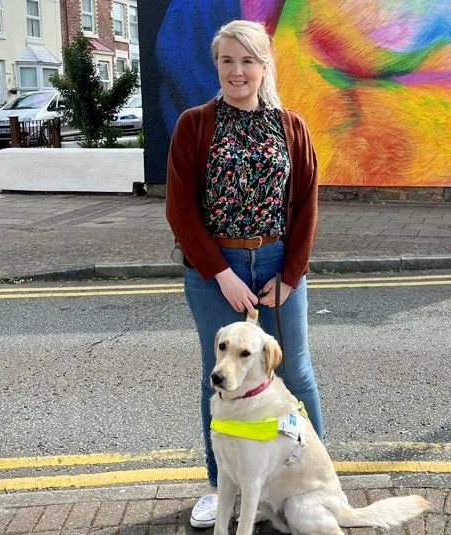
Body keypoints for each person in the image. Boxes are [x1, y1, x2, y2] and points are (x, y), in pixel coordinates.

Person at [165, 20, 324, 528]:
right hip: (218, 266)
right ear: (217, 66)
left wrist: (291, 275)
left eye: (248, 60)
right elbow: (180, 209)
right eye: (227, 61)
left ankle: (309, 476)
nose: (238, 71)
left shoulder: (291, 126)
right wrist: (220, 273)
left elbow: (305, 205)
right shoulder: (195, 124)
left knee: (293, 370)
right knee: (220, 377)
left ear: (264, 65)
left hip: (276, 261)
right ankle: (220, 485)